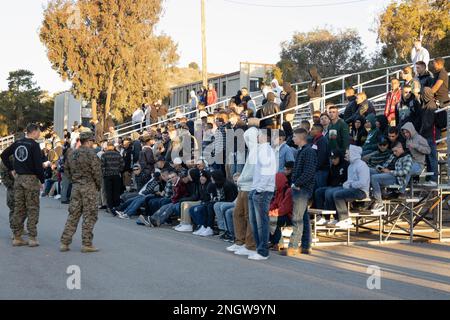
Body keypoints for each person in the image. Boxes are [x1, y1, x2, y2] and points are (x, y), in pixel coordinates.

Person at [1, 123, 45, 247]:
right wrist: (41, 180)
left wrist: (12, 168)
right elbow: (38, 165)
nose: (40, 133)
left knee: (19, 208)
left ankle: (17, 236)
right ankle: (32, 237)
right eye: (38, 131)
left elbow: (3, 155)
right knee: (32, 208)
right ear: (34, 131)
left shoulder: (18, 143)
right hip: (31, 179)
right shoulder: (34, 145)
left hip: (18, 179)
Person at [60, 131, 101, 253]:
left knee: (73, 215)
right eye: (92, 141)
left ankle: (65, 242)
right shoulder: (91, 154)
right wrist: (98, 185)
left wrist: (74, 180)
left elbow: (65, 169)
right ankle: (87, 244)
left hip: (76, 187)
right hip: (89, 187)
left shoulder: (72, 154)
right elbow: (97, 172)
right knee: (89, 215)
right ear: (88, 141)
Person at [282, 128, 317, 257]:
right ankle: (306, 246)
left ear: (301, 138)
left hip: (302, 189)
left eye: (294, 136)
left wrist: (296, 184)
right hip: (300, 188)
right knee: (303, 218)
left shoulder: (308, 151)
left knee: (297, 218)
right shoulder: (303, 150)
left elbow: (309, 172)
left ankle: (293, 246)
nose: (292, 139)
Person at [226, 118, 258, 256]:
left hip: (250, 187)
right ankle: (240, 241)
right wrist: (239, 176)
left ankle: (250, 244)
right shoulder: (252, 152)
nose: (246, 141)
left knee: (249, 217)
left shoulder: (258, 152)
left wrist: (241, 178)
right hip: (243, 187)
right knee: (237, 214)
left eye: (248, 138)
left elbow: (256, 172)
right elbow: (247, 170)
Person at [248, 129, 276, 261]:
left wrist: (259, 189)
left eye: (258, 135)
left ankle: (263, 251)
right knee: (255, 222)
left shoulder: (265, 150)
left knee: (261, 223)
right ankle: (259, 248)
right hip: (258, 189)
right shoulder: (262, 150)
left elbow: (268, 172)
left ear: (263, 137)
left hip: (263, 191)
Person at [327, 145, 370, 228]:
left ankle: (345, 219)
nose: (345, 155)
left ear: (353, 153)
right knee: (333, 193)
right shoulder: (351, 166)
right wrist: (346, 184)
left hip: (362, 191)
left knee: (337, 195)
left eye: (347, 153)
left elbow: (363, 183)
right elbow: (349, 180)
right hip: (353, 189)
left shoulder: (362, 165)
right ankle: (338, 218)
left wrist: (350, 184)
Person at [370, 142, 413, 211]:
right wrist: (380, 168)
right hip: (386, 173)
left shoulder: (407, 157)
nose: (394, 153)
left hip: (395, 178)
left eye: (396, 151)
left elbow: (405, 172)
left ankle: (378, 202)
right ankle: (367, 194)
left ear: (401, 148)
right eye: (393, 151)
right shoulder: (393, 156)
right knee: (368, 170)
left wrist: (390, 172)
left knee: (374, 178)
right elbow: (384, 165)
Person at [313, 149, 349, 225]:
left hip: (342, 186)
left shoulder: (346, 165)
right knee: (318, 191)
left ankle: (336, 217)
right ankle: (321, 217)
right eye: (331, 158)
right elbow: (330, 180)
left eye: (335, 158)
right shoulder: (332, 166)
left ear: (339, 157)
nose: (333, 160)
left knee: (329, 192)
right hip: (333, 186)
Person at [269, 173, 292, 251]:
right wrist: (267, 211)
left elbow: (284, 209)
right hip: (281, 214)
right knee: (266, 218)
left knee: (273, 219)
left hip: (289, 216)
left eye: (274, 182)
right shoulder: (278, 191)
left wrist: (271, 213)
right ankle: (273, 241)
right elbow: (274, 204)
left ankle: (278, 242)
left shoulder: (288, 191)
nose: (274, 185)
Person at [420, 87, 439, 184]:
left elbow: (428, 122)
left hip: (431, 135)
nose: (421, 96)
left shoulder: (431, 105)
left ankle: (434, 179)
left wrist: (420, 132)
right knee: (428, 158)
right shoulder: (425, 105)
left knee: (432, 158)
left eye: (422, 94)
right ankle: (429, 179)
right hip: (425, 136)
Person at [101, 141, 124, 214]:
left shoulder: (104, 155)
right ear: (113, 147)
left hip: (107, 175)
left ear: (107, 147)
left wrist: (104, 173)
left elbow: (102, 166)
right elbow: (122, 164)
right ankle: (116, 206)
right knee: (116, 191)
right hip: (116, 175)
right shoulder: (118, 154)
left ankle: (110, 207)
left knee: (109, 192)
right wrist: (119, 170)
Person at [311, 123, 329, 189]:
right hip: (317, 170)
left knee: (320, 190)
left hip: (322, 170)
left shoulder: (322, 140)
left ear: (318, 130)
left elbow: (321, 157)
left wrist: (315, 168)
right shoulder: (315, 139)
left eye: (312, 129)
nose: (311, 131)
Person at [0, 158, 16, 237]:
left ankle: (19, 228)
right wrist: (12, 185)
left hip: (20, 186)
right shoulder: (6, 159)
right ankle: (15, 231)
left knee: (22, 209)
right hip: (13, 187)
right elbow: (4, 176)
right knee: (14, 209)